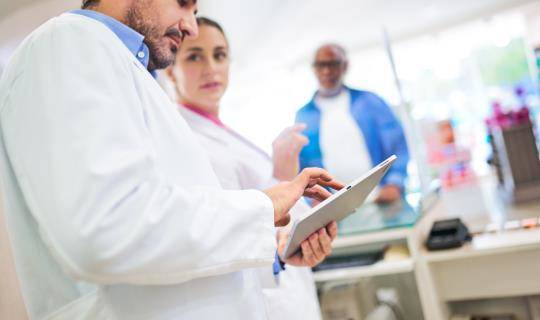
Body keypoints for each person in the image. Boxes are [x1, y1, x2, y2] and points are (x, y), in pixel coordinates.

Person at [0, 1, 343, 319]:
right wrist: (264, 205)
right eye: (184, 2)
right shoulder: (70, 43)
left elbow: (170, 237)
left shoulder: (125, 69)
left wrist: (273, 252)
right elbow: (109, 228)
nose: (192, 26)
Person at [166, 16, 331, 320]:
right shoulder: (186, 141)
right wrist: (281, 176)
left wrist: (283, 177)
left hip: (288, 291)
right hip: (262, 300)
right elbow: (225, 231)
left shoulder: (222, 132)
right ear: (170, 71)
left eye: (219, 55)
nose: (211, 67)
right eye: (194, 56)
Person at [296, 44, 410, 203]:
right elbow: (301, 166)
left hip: (382, 200)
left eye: (333, 64)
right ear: (313, 69)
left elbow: (398, 145)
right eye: (321, 65)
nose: (327, 71)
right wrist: (313, 197)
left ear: (345, 66)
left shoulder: (370, 102)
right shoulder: (304, 115)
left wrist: (394, 183)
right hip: (334, 209)